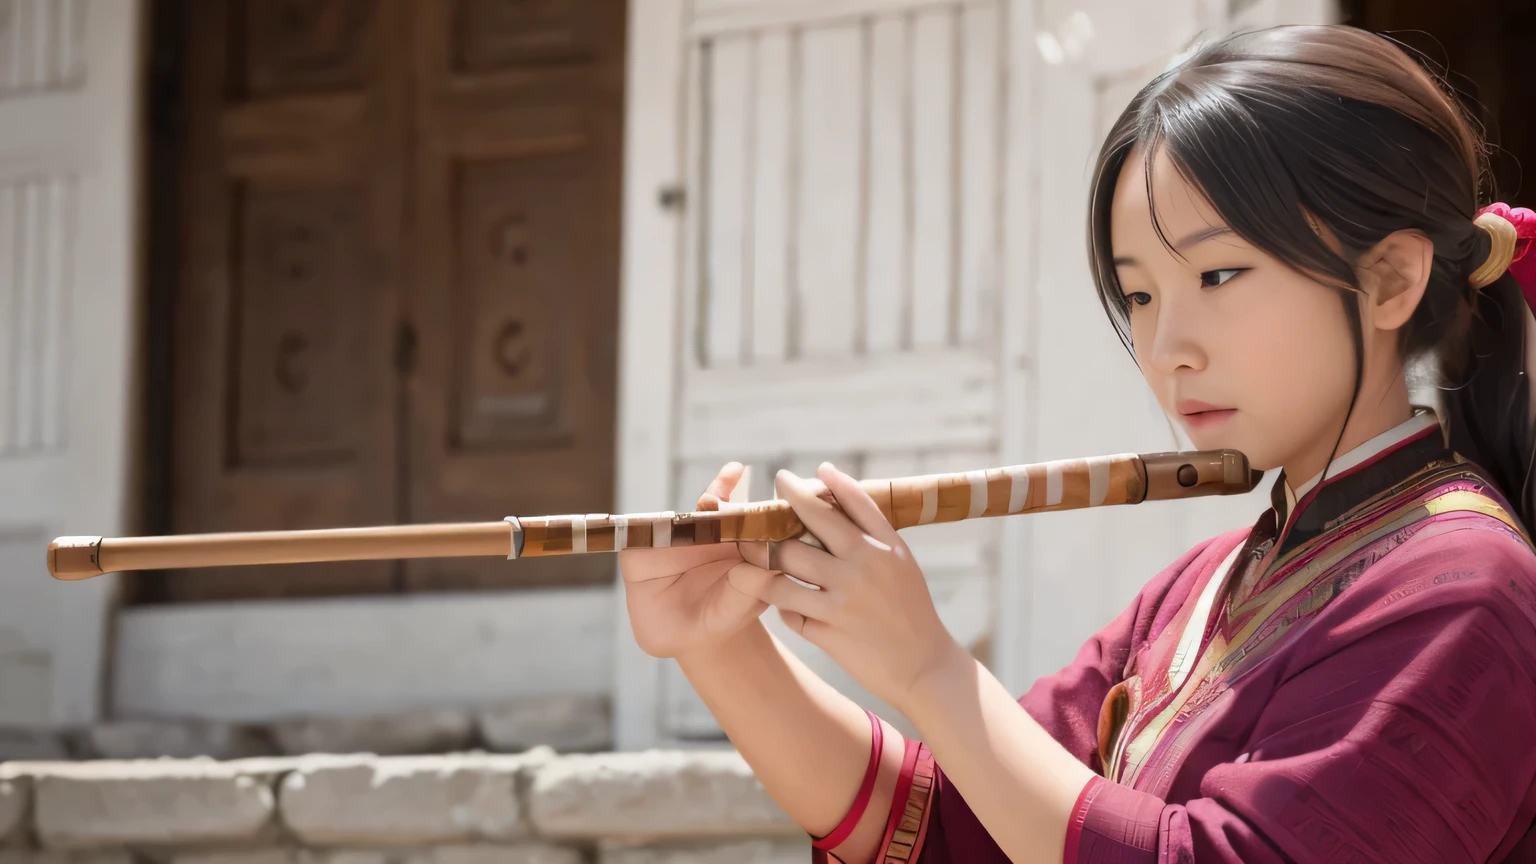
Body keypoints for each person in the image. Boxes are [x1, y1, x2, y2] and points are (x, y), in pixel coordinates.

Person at [617, 24, 1536, 863]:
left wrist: (931, 669)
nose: (1169, 347)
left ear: (1389, 279)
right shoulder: (1200, 588)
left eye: (1218, 273)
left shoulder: (1464, 587)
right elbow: (959, 825)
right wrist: (723, 644)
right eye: (1139, 296)